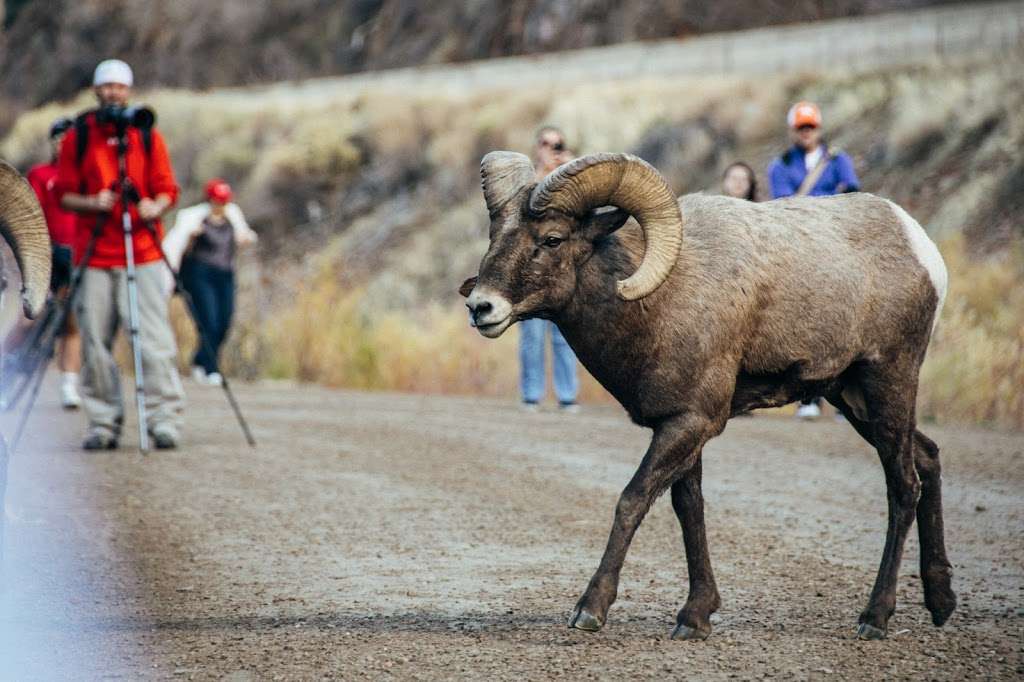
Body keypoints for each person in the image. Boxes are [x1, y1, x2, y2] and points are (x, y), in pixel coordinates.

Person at [55, 58, 184, 450]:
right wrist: (94, 201)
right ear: (96, 90)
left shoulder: (146, 135)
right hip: (93, 253)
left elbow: (167, 189)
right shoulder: (79, 136)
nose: (113, 92)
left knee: (153, 338)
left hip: (141, 249)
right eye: (106, 86)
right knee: (94, 340)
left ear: (128, 90)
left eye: (119, 86)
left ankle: (164, 419)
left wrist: (153, 206)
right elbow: (63, 195)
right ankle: (103, 422)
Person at [768, 101, 860, 419]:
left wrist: (807, 201)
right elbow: (783, 205)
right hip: (800, 249)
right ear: (792, 131)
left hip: (837, 245)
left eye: (810, 127)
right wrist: (825, 198)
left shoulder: (838, 159)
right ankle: (809, 396)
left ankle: (847, 394)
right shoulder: (779, 165)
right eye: (801, 127)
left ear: (818, 128)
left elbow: (851, 193)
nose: (806, 132)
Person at [163, 178, 257, 386]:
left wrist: (245, 239)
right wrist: (191, 237)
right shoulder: (194, 218)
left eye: (224, 202)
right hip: (199, 273)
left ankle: (199, 359)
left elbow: (245, 234)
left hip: (225, 274)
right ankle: (211, 368)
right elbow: (176, 248)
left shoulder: (233, 215)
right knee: (209, 320)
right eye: (217, 201)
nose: (221, 206)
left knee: (224, 321)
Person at [518, 126, 580, 413]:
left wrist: (573, 171)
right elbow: (525, 209)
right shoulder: (526, 177)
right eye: (546, 143)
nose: (551, 149)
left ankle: (567, 395)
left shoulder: (573, 177)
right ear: (537, 146)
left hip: (562, 266)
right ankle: (532, 394)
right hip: (531, 267)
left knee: (564, 335)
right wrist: (545, 173)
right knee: (532, 336)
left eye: (558, 144)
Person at [23, 117, 82, 409]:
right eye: (59, 139)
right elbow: (30, 215)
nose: (63, 145)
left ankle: (69, 383)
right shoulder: (41, 174)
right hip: (46, 251)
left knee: (73, 321)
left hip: (77, 253)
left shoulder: (84, 177)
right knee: (29, 314)